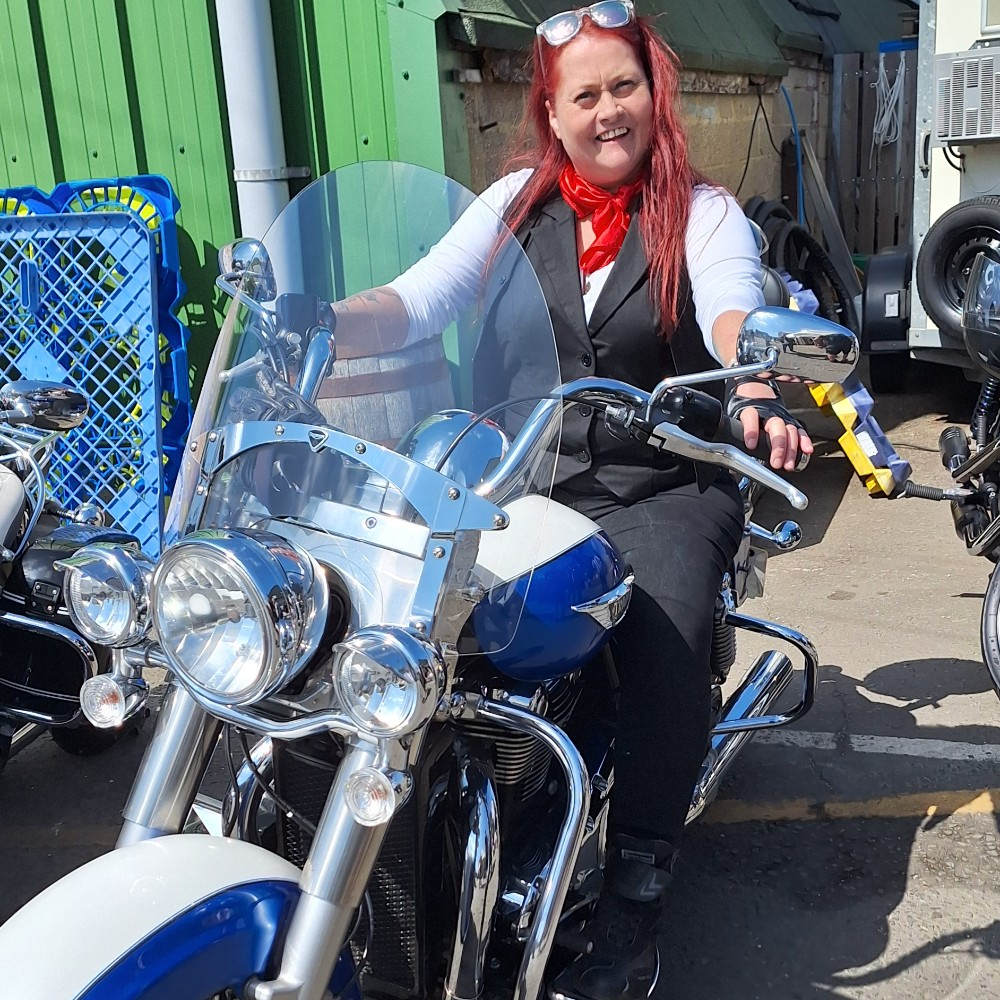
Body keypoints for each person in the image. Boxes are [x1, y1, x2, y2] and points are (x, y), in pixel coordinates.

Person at [330, 4, 810, 999]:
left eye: (623, 86)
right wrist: (322, 322)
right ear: (550, 112)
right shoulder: (515, 202)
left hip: (661, 477)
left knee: (665, 631)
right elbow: (420, 297)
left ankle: (633, 897)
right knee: (391, 608)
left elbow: (729, 302)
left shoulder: (700, 211)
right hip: (522, 477)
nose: (607, 111)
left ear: (654, 93)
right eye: (583, 95)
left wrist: (754, 382)